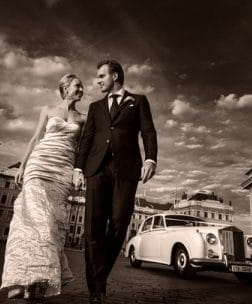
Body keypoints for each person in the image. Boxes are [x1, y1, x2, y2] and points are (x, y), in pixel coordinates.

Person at [73, 60, 157, 304]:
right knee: (92, 229)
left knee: (120, 223)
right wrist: (78, 168)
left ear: (116, 76)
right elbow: (86, 140)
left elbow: (148, 131)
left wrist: (150, 159)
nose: (98, 81)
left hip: (127, 171)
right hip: (96, 170)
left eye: (101, 76)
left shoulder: (138, 101)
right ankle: (96, 288)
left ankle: (99, 277)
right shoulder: (95, 107)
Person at [1, 74, 85, 299]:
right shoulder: (47, 109)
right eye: (78, 86)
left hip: (63, 171)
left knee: (50, 223)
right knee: (32, 218)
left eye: (82, 87)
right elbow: (36, 137)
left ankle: (38, 281)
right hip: (40, 164)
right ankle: (22, 278)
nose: (81, 90)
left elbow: (84, 150)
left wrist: (80, 172)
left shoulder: (83, 118)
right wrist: (22, 166)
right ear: (65, 88)